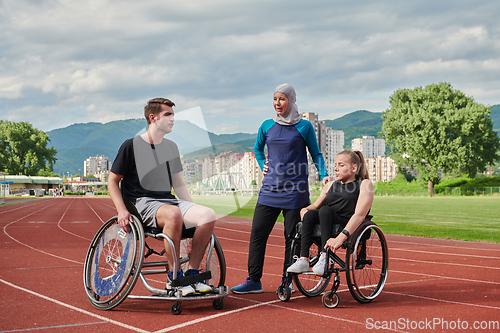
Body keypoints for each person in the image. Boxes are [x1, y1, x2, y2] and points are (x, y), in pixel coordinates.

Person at [108, 98, 217, 296]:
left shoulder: (171, 147)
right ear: (153, 118)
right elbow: (112, 181)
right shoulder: (130, 145)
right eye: (168, 115)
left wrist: (192, 211)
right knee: (174, 214)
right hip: (141, 202)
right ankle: (174, 278)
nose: (173, 119)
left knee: (207, 215)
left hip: (169, 200)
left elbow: (179, 184)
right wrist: (121, 211)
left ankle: (192, 274)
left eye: (173, 115)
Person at [231, 84, 329, 294]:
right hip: (269, 190)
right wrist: (261, 163)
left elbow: (316, 154)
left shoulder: (304, 127)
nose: (277, 103)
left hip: (295, 191)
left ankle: (288, 281)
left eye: (282, 99)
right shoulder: (266, 126)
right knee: (258, 234)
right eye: (275, 99)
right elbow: (258, 148)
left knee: (292, 238)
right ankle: (253, 280)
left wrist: (324, 174)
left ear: (292, 100)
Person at [286, 150, 374, 275]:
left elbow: (359, 215)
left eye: (341, 165)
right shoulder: (330, 185)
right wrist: (304, 210)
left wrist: (341, 237)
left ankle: (325, 257)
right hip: (327, 218)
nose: (336, 169)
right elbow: (315, 206)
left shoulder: (364, 184)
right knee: (311, 214)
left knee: (325, 210)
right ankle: (304, 259)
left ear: (354, 167)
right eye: (335, 165)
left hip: (346, 223)